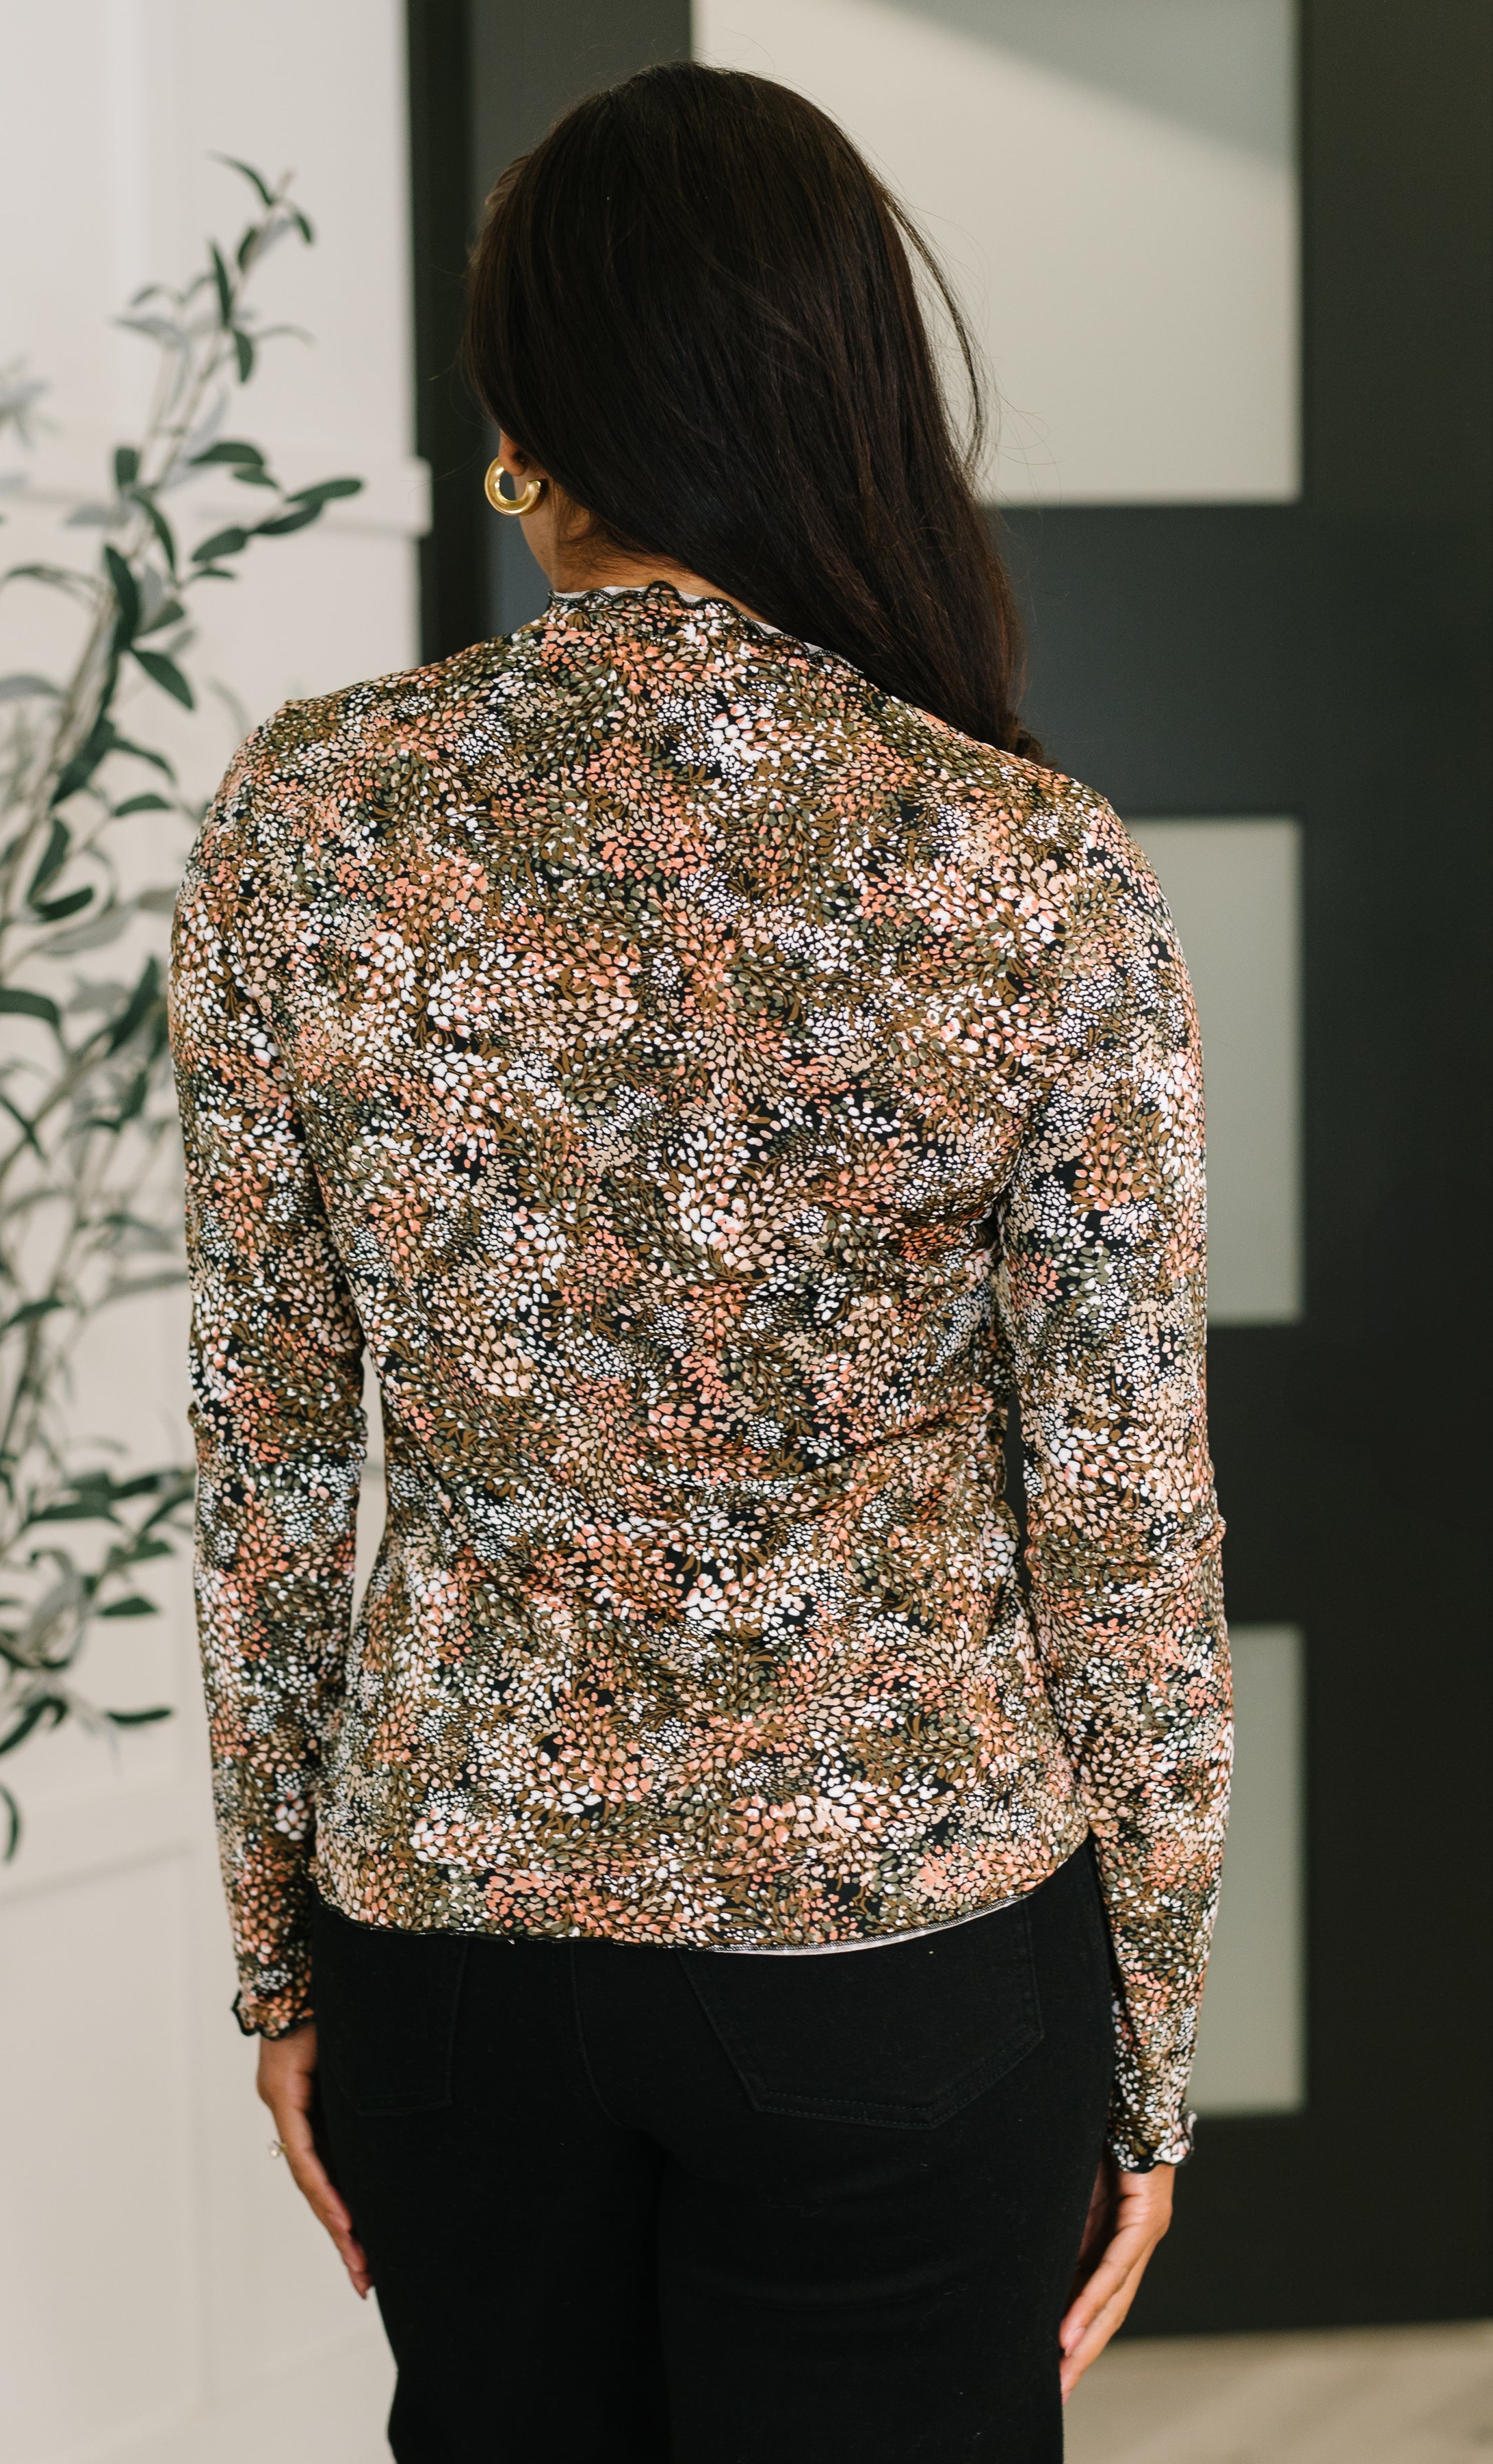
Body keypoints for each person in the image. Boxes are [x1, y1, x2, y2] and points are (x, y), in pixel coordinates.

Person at [170, 60, 1230, 2464]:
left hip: (455, 1932)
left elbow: (261, 1441)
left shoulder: (306, 826)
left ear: (527, 425)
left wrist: (273, 1954)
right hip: (909, 1956)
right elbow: (1126, 1519)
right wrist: (1153, 2045)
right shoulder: (1024, 870)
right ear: (847, 394)